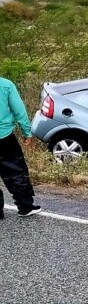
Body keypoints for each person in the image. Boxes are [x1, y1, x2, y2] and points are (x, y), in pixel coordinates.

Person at [0, 76, 41, 219]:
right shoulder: (5, 85)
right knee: (16, 172)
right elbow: (19, 110)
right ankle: (25, 207)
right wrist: (27, 132)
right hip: (4, 137)